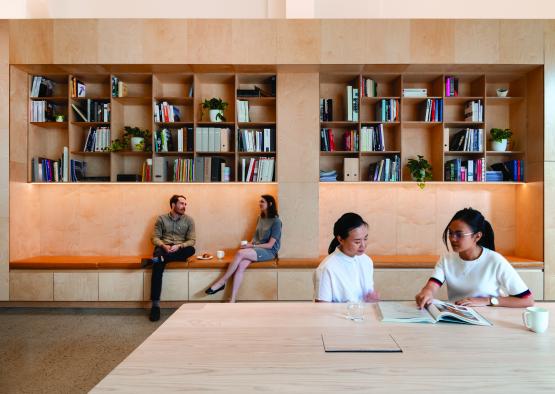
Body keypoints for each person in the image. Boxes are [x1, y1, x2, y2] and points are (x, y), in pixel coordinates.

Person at [415, 208, 534, 309]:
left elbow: (527, 300)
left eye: (459, 234)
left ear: (477, 236)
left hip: (490, 318)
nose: (452, 239)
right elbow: (432, 286)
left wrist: (487, 301)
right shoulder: (446, 259)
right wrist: (427, 292)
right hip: (458, 316)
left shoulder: (495, 260)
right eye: (450, 233)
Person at [205, 195, 282, 303]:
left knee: (240, 253)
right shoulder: (260, 218)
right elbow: (255, 237)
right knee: (241, 265)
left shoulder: (276, 221)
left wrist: (252, 246)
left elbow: (270, 245)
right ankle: (232, 299)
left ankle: (222, 281)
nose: (260, 203)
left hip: (269, 252)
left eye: (262, 202)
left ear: (270, 204)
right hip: (257, 248)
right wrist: (249, 244)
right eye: (259, 201)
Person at [142, 194, 196, 321]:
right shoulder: (161, 219)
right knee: (157, 269)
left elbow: (192, 240)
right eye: (182, 203)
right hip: (163, 249)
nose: (184, 206)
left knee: (191, 249)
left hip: (179, 249)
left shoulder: (189, 220)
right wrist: (163, 245)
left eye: (185, 204)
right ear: (173, 205)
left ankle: (159, 259)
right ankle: (155, 306)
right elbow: (154, 238)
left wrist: (179, 245)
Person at [314, 212, 379, 303]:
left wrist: (371, 300)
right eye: (357, 242)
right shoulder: (327, 268)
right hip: (340, 317)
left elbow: (368, 297)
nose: (363, 245)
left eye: (365, 239)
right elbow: (322, 310)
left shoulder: (366, 261)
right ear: (341, 239)